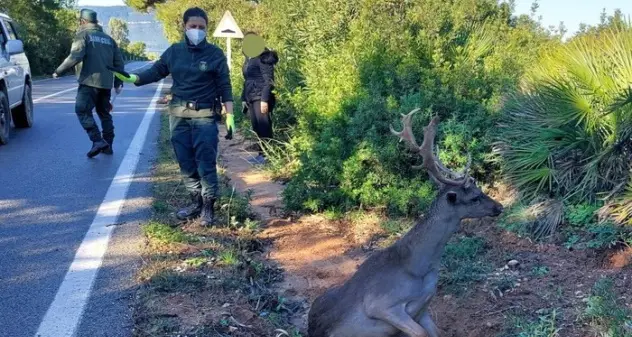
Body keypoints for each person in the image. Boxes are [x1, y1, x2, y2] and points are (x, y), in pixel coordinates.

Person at [112, 7, 235, 227]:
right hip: (178, 114)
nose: (197, 31)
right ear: (184, 27)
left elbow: (225, 85)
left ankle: (208, 208)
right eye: (192, 27)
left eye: (201, 27)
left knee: (205, 161)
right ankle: (195, 203)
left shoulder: (215, 54)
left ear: (206, 29)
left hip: (205, 115)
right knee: (186, 162)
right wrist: (133, 77)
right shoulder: (174, 52)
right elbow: (156, 70)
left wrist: (230, 115)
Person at [53, 9, 124, 158]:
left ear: (83, 22)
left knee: (82, 110)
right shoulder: (109, 39)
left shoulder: (83, 35)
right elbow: (119, 63)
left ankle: (98, 141)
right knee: (104, 113)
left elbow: (75, 56)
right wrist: (118, 82)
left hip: (89, 82)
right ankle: (108, 145)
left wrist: (58, 71)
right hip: (106, 83)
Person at [241, 32, 279, 165]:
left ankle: (268, 155)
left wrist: (264, 100)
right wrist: (243, 98)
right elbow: (247, 80)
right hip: (251, 96)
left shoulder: (264, 58)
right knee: (256, 126)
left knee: (264, 126)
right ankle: (261, 154)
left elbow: (269, 81)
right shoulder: (249, 58)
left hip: (261, 96)